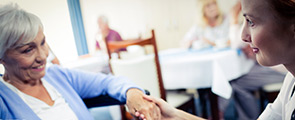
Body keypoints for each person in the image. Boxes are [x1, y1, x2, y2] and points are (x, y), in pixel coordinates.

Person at [0, 4, 160, 120]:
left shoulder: (57, 75)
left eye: (43, 43)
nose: (42, 56)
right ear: (2, 57)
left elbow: (108, 82)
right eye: (28, 50)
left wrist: (131, 92)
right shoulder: (4, 99)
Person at [143, 0, 295, 119]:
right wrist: (176, 115)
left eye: (251, 22)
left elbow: (233, 42)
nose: (243, 36)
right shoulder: (290, 81)